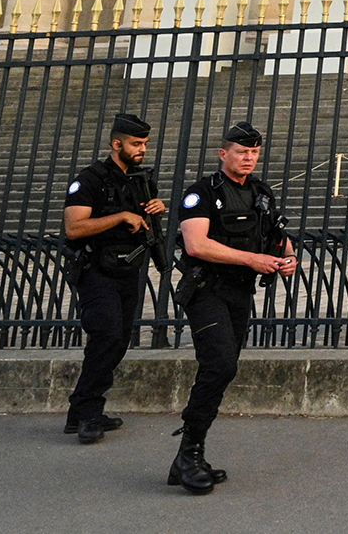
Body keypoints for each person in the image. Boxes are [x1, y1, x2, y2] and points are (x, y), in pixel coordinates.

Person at [169, 121, 296, 495]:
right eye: (242, 152)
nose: (249, 158)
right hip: (207, 290)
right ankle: (188, 453)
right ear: (223, 154)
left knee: (225, 369)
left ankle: (189, 455)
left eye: (254, 153)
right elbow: (196, 245)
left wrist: (288, 258)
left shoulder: (261, 193)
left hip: (239, 293)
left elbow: (276, 236)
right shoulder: (201, 194)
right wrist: (251, 259)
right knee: (219, 363)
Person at [61, 112, 165, 444]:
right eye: (136, 144)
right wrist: (121, 216)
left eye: (145, 144)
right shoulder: (89, 179)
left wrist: (154, 209)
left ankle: (80, 409)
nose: (142, 150)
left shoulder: (141, 180)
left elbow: (147, 222)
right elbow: (74, 227)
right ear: (116, 143)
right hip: (96, 271)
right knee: (105, 336)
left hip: (127, 270)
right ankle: (88, 414)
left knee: (119, 341)